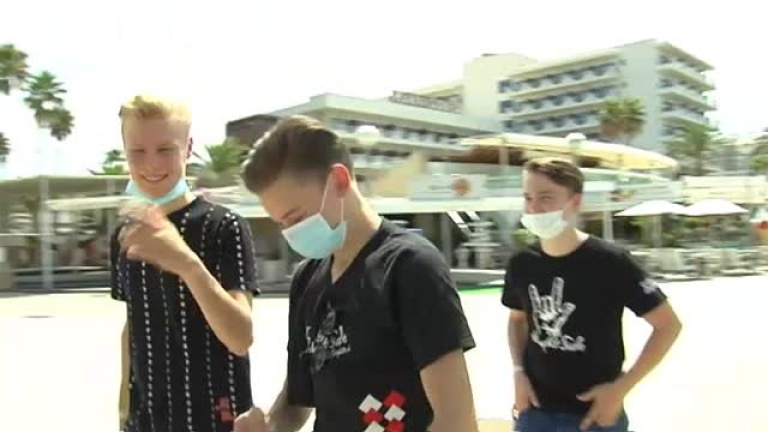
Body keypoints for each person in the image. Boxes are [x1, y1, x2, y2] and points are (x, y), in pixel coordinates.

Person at [233, 115, 479, 432]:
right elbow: (298, 400)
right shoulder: (307, 279)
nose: (291, 233)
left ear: (338, 181)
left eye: (296, 217)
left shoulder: (410, 267)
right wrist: (268, 426)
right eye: (282, 223)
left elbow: (456, 422)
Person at [111, 94, 259, 432]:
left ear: (188, 149)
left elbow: (240, 337)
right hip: (146, 421)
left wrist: (185, 263)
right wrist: (123, 408)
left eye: (165, 149)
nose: (151, 164)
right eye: (138, 151)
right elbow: (133, 323)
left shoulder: (225, 226)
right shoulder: (125, 234)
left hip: (215, 418)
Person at [503, 157, 683, 432]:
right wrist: (518, 372)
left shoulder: (610, 262)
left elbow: (668, 325)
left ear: (574, 202)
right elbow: (517, 320)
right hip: (534, 414)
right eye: (528, 198)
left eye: (546, 197)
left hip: (595, 417)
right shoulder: (522, 263)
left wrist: (620, 389)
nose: (534, 207)